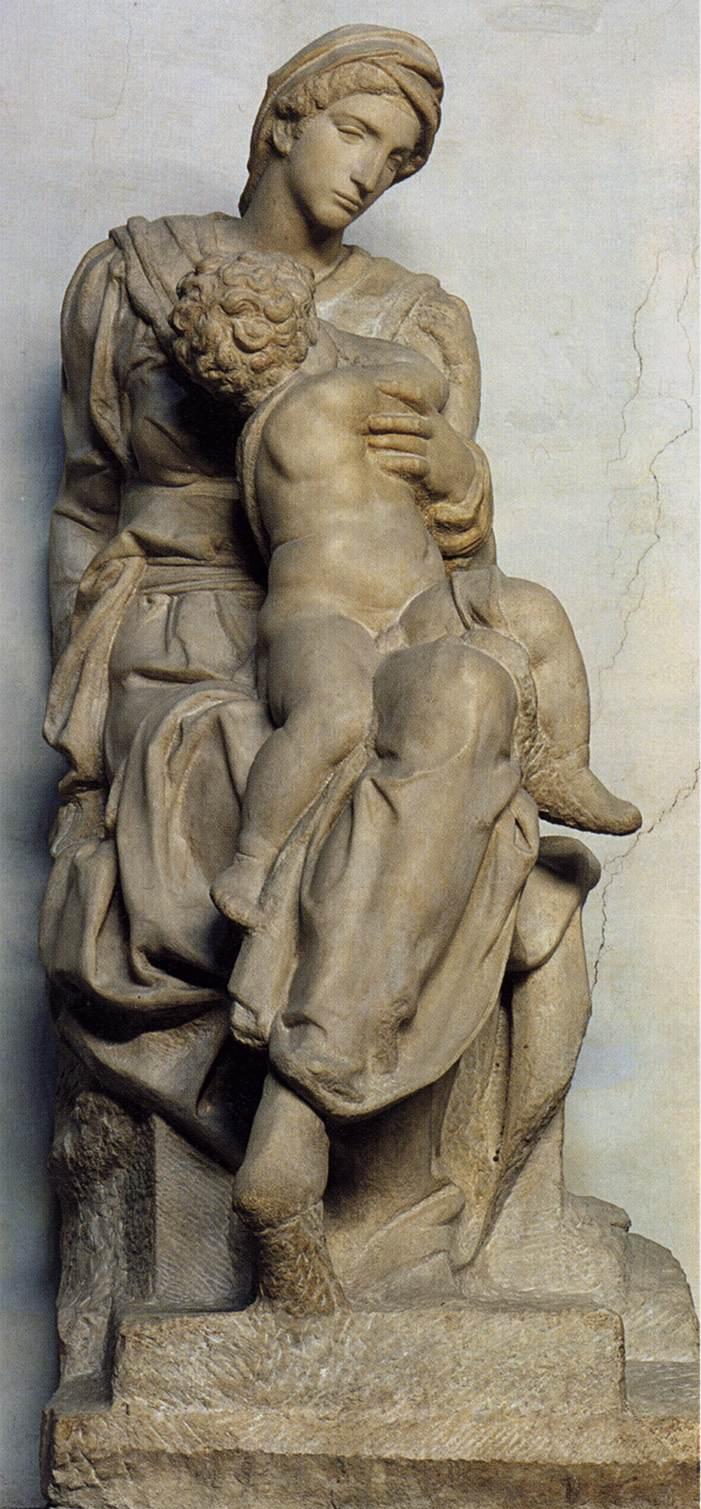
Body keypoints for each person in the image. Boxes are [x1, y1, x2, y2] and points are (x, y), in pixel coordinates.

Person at [41, 26, 638, 1314]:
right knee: (316, 743)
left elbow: (445, 551)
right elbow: (87, 510)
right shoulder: (134, 280)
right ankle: (300, 1123)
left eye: (399, 158)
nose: (370, 172)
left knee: (466, 700)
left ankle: (297, 1128)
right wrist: (80, 753)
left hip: (389, 613)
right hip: (191, 645)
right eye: (355, 132)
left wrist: (465, 484)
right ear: (282, 121)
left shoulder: (419, 322)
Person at [171, 249, 639, 933]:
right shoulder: (324, 401)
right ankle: (252, 860)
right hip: (324, 620)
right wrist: (437, 362)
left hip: (410, 607)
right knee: (336, 713)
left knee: (526, 611)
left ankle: (561, 768)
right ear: (299, 328)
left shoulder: (278, 424)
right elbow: (423, 380)